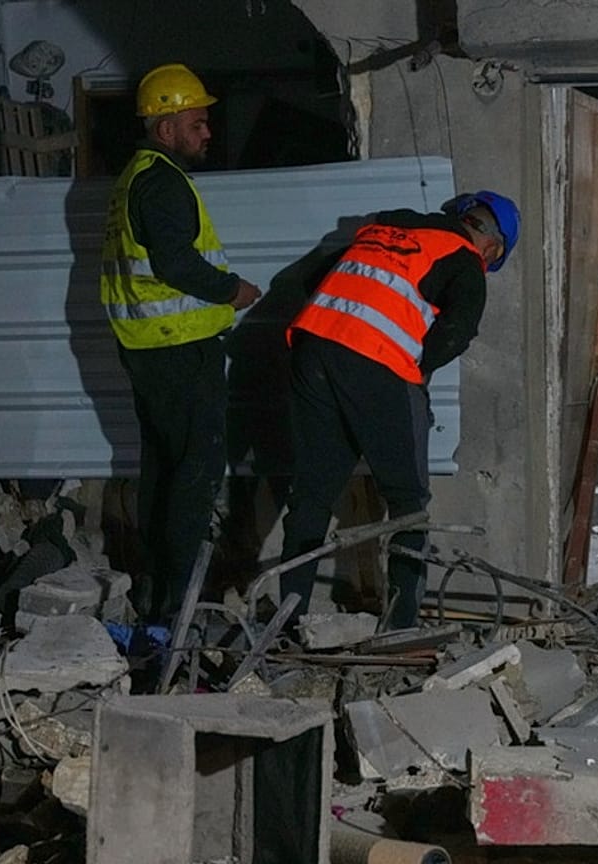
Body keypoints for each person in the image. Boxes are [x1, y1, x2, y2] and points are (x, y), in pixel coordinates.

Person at [278, 190, 520, 630]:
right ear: (493, 246)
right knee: (408, 501)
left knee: (311, 494)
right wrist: (414, 368)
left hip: (312, 346)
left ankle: (287, 619)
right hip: (375, 364)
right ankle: (402, 625)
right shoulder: (465, 260)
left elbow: (311, 278)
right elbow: (457, 332)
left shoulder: (390, 226)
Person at [100, 63, 262, 624]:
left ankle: (155, 591)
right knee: (195, 472)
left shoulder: (138, 176)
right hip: (178, 349)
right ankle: (177, 606)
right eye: (197, 122)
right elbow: (174, 262)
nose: (208, 132)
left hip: (150, 348)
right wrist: (232, 290)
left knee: (165, 469)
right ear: (166, 129)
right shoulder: (163, 182)